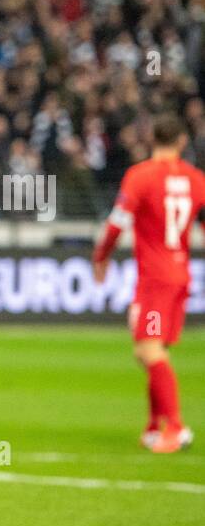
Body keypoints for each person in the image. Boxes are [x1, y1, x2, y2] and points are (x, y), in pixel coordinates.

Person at [92, 115, 205, 453]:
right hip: (179, 275)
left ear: (151, 139)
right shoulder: (196, 179)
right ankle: (154, 426)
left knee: (148, 349)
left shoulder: (140, 176)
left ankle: (176, 427)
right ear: (182, 141)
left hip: (156, 278)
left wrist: (101, 257)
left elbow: (117, 223)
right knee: (152, 351)